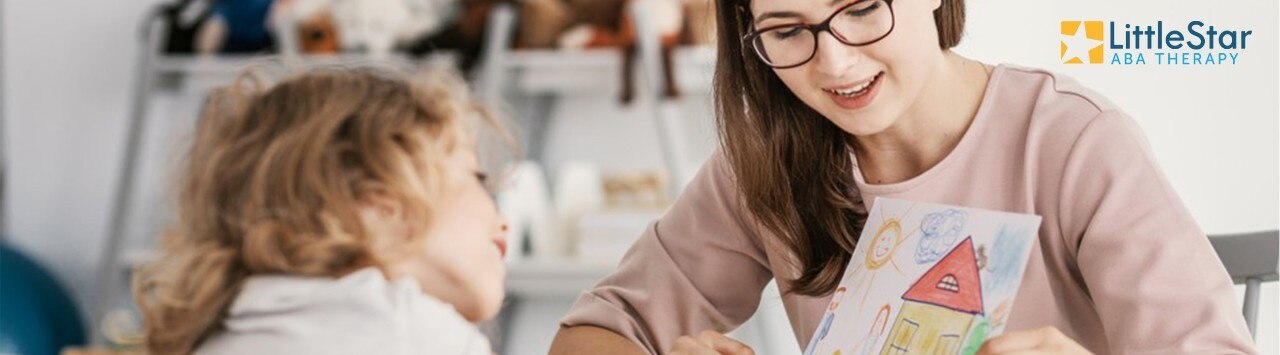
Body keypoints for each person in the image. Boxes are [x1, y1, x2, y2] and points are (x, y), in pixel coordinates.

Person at [548, 0, 1256, 353]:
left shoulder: (1073, 140)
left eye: (861, 8)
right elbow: (595, 330)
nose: (835, 64)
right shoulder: (765, 163)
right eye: (788, 30)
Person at [132, 67, 510, 355]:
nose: (503, 218)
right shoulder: (411, 330)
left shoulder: (221, 333)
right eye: (479, 179)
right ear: (376, 208)